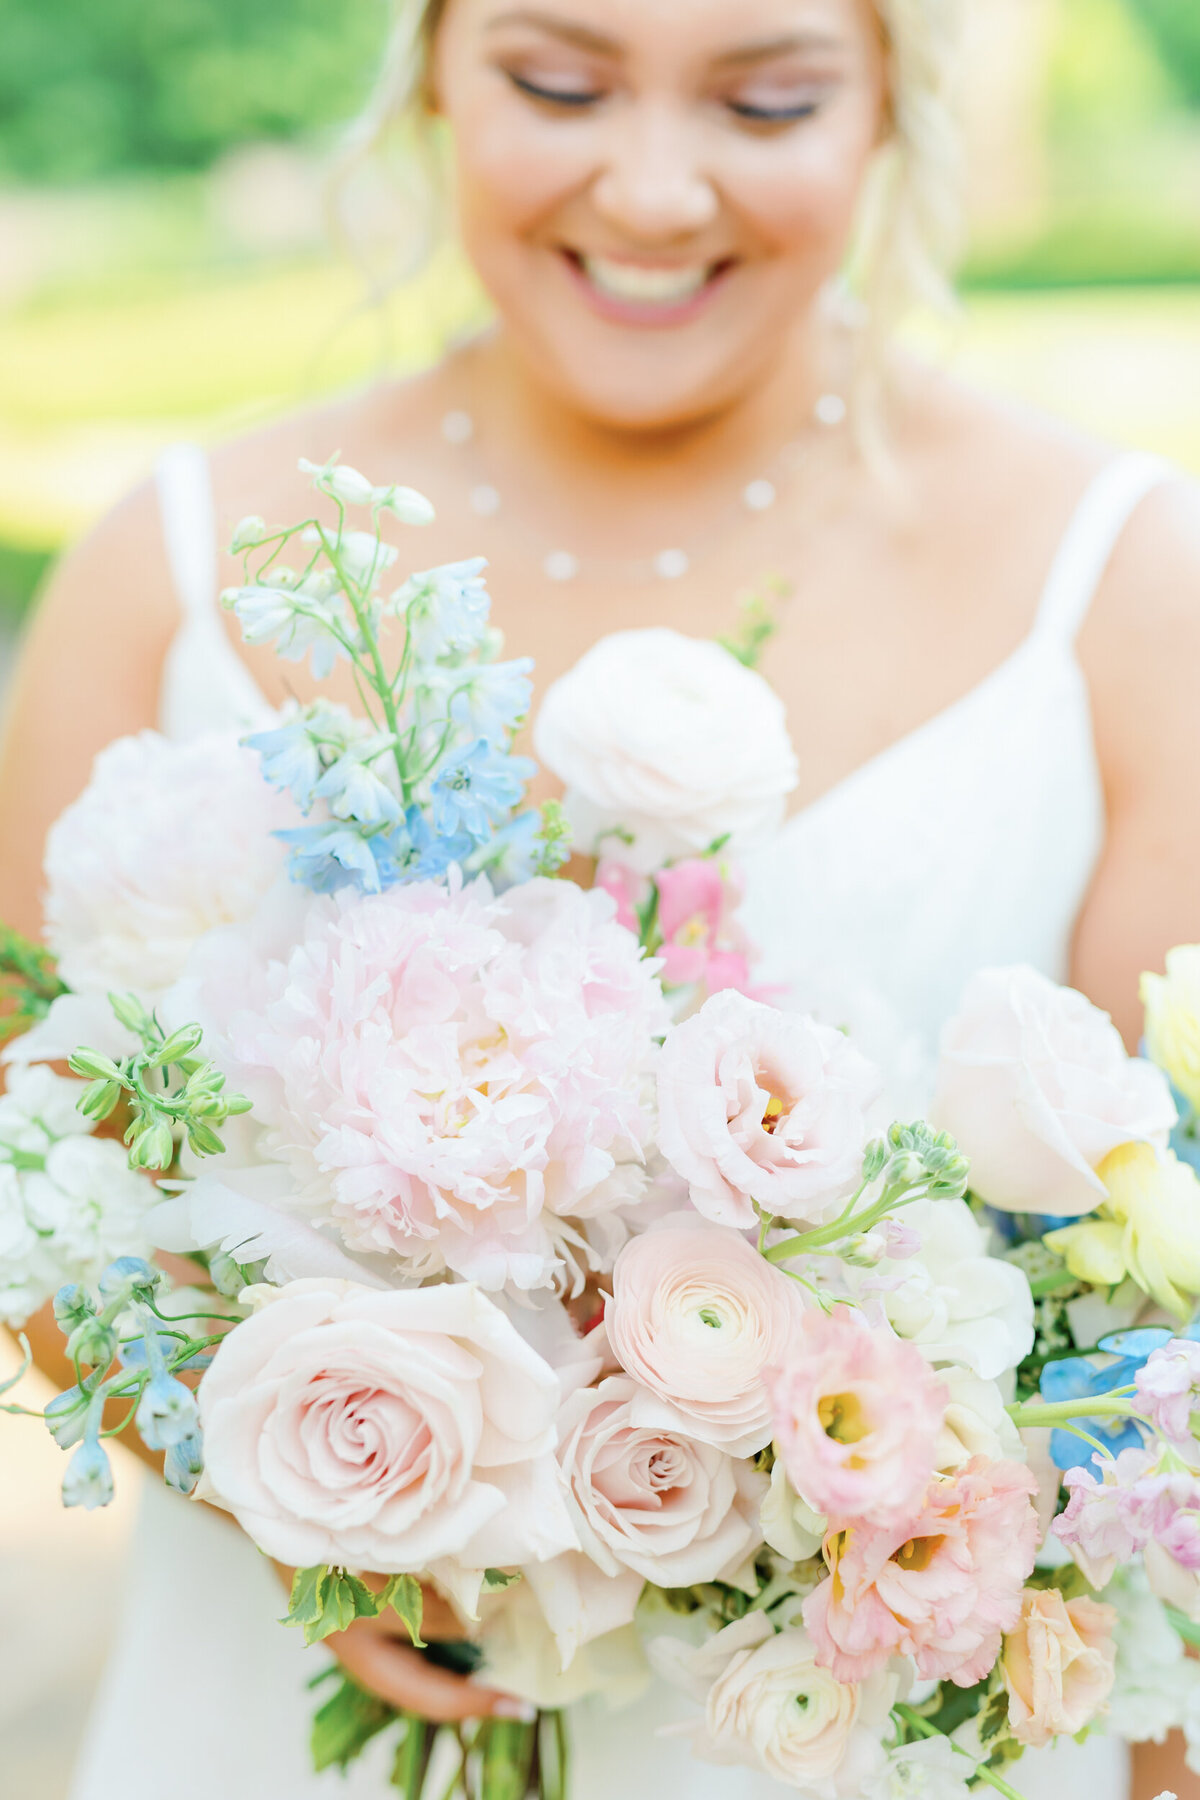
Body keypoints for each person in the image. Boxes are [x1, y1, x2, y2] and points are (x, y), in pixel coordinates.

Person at [2, 0, 1198, 1795]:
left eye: (767, 97)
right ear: (427, 79)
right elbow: (41, 1186)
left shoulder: (1123, 588)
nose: (650, 189)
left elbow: (1161, 1299)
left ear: (887, 104)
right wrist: (302, 1487)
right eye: (558, 83)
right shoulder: (166, 567)